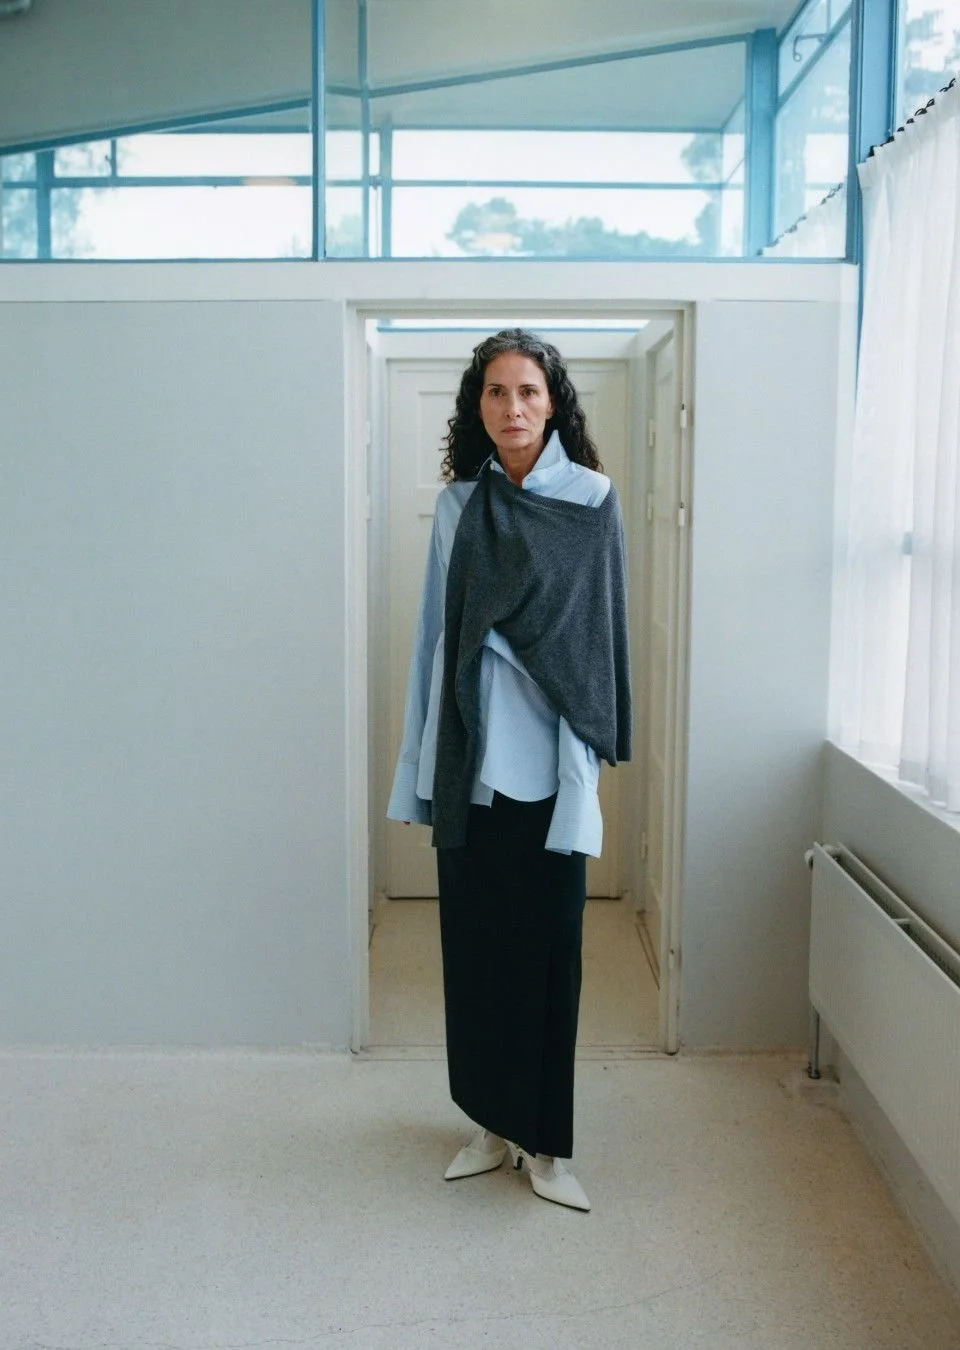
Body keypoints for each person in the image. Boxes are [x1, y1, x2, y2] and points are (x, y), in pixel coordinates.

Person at [386, 328, 631, 1212]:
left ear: (552, 402)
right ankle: (490, 1126)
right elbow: (434, 639)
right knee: (476, 956)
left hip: (551, 769)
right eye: (496, 392)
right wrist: (420, 768)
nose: (513, 407)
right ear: (477, 406)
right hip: (473, 765)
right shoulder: (460, 506)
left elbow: (599, 637)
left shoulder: (591, 499)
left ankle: (548, 1148)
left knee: (551, 959)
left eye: (528, 390)